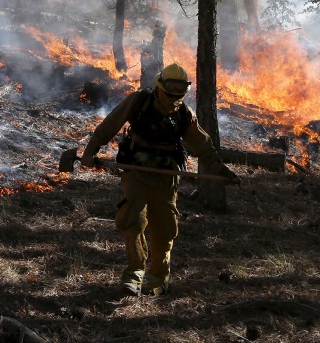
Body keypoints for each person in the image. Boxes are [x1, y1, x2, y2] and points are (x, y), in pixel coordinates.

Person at [80, 62, 239, 296]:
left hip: (166, 177)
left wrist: (220, 171)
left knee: (164, 228)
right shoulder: (139, 102)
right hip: (136, 170)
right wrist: (90, 151)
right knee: (132, 220)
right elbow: (109, 125)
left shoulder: (185, 115)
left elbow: (204, 147)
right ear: (159, 87)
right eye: (169, 93)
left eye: (179, 95)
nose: (173, 100)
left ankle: (158, 277)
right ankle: (134, 274)